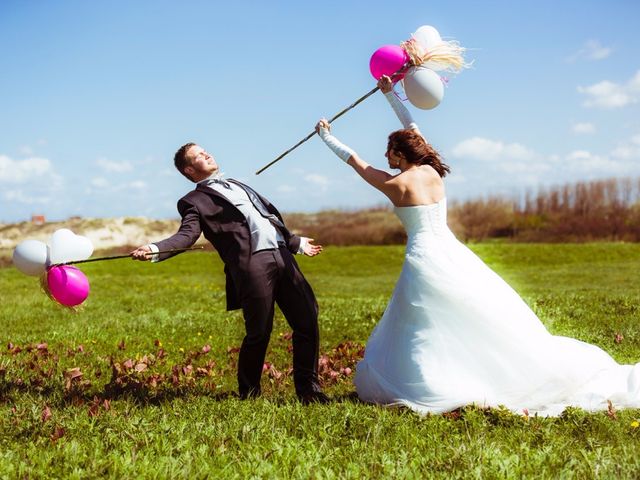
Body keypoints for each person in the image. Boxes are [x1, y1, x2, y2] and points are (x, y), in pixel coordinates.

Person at [314, 75, 640, 416]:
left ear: (400, 153)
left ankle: (428, 381)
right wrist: (389, 94)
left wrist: (326, 136)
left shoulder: (398, 184)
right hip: (451, 251)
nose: (386, 156)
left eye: (390, 151)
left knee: (420, 325)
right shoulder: (431, 170)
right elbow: (412, 124)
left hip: (422, 257)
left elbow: (357, 164)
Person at [131, 143, 329, 404]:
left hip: (283, 255)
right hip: (252, 263)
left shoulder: (237, 183)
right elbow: (186, 236)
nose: (208, 154)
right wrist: (155, 249)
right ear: (190, 169)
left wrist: (295, 242)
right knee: (259, 331)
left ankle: (309, 391)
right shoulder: (193, 201)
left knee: (307, 320)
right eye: (199, 156)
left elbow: (266, 216)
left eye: (205, 151)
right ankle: (249, 394)